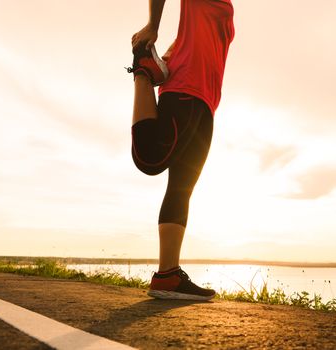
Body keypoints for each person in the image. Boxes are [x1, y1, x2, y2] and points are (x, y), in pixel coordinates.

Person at [127, 0, 235, 300]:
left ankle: (167, 276)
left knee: (181, 189)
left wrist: (172, 50)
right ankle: (141, 69)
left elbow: (195, 36)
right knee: (150, 158)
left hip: (207, 101)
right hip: (184, 88)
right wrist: (153, 26)